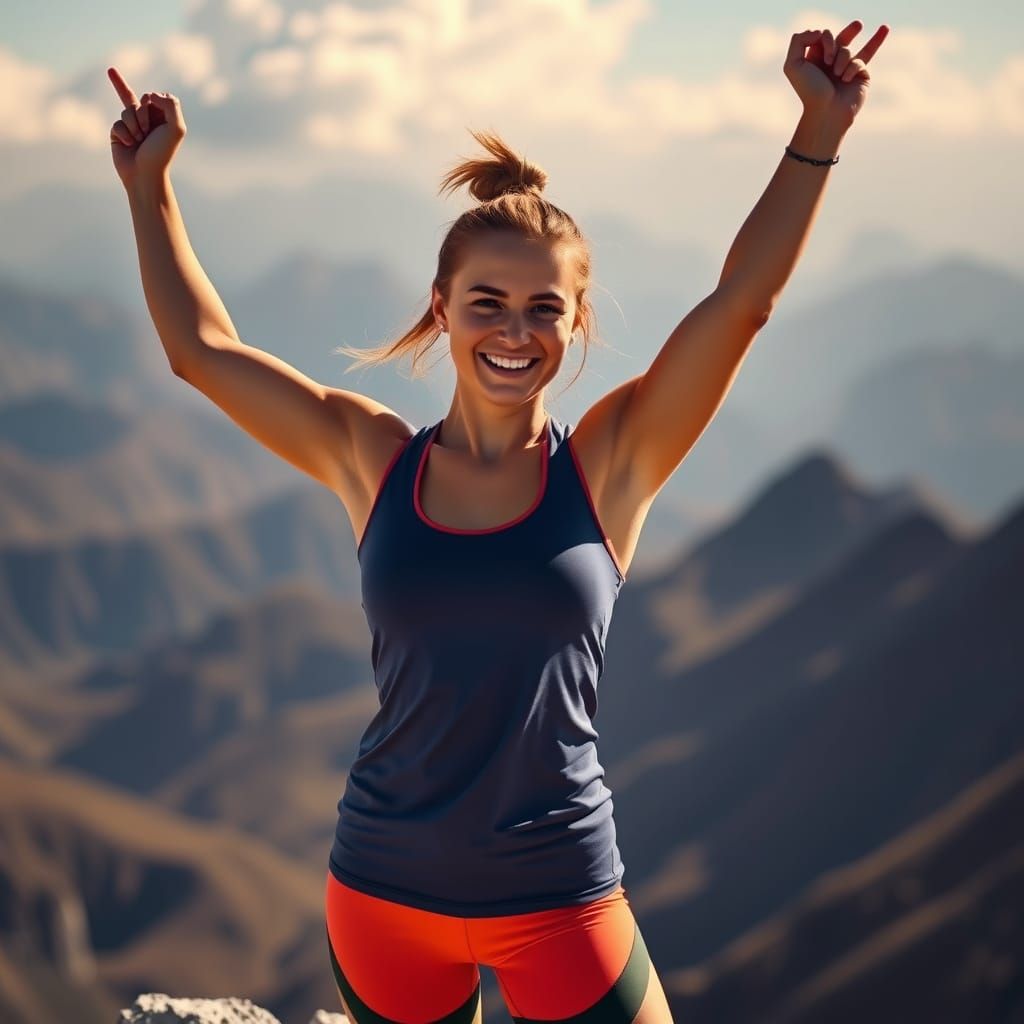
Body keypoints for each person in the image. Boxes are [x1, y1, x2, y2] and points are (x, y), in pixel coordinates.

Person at [107, 20, 885, 1022]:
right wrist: (151, 190)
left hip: (561, 902)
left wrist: (819, 131)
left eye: (544, 308)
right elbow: (202, 352)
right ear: (440, 308)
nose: (515, 332)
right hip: (382, 897)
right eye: (487, 302)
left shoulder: (612, 463)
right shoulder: (371, 456)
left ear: (577, 318)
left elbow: (741, 303)